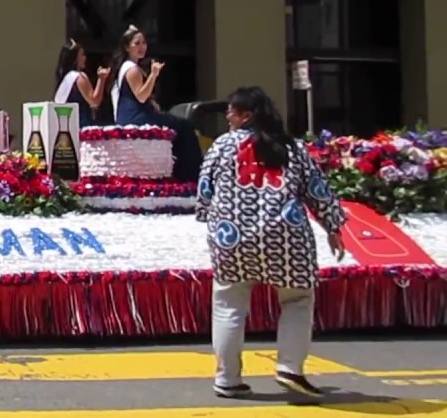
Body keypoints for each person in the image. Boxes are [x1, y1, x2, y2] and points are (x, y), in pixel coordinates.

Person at [197, 86, 346, 400]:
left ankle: (227, 378)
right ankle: (290, 368)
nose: (227, 115)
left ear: (246, 115)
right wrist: (333, 226)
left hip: (232, 236)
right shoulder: (291, 147)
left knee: (228, 304)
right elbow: (317, 190)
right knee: (297, 301)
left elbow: (204, 191)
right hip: (286, 237)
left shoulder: (222, 145)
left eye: (232, 110)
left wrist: (209, 215)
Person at [109, 25, 201, 181]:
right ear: (126, 47)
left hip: (136, 114)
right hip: (137, 118)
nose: (141, 47)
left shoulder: (129, 67)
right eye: (136, 43)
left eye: (143, 43)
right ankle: (190, 176)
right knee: (184, 126)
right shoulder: (132, 69)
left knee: (177, 125)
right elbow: (141, 96)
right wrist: (153, 74)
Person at [53, 38, 110, 129]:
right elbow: (94, 101)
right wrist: (101, 79)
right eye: (82, 55)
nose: (85, 58)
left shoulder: (64, 79)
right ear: (75, 58)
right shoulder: (79, 77)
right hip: (82, 125)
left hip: (68, 126)